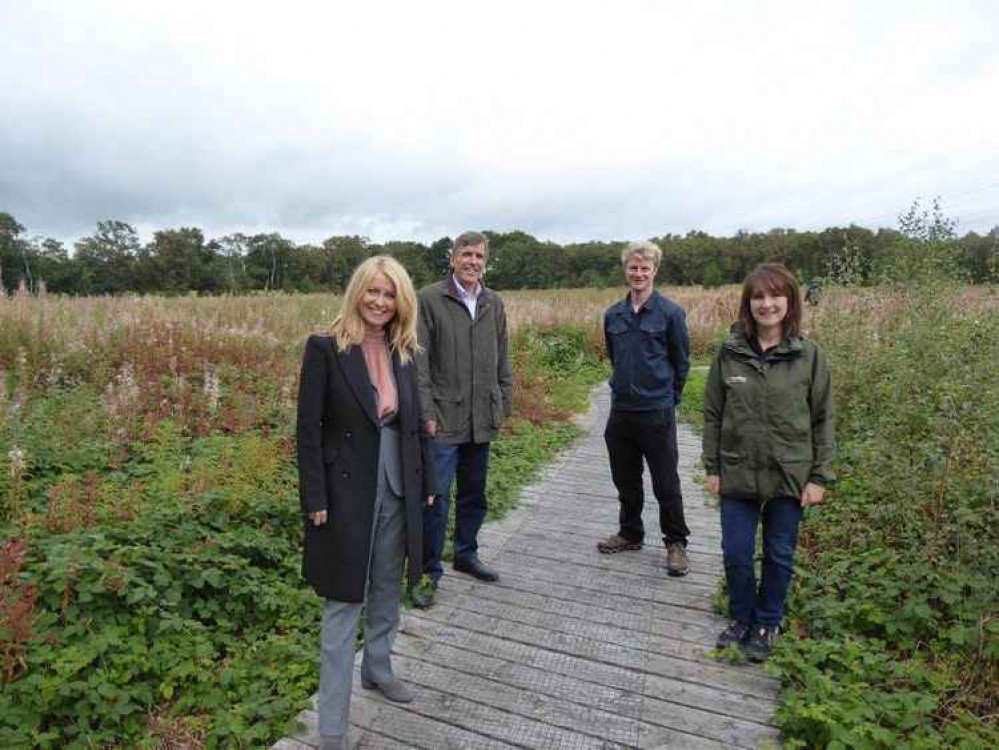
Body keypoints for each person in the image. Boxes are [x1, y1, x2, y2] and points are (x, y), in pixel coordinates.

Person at [297, 256, 436, 750]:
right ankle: (332, 728)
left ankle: (377, 667)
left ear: (401, 300)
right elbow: (308, 431)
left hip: (397, 485)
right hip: (345, 494)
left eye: (389, 293)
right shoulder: (325, 349)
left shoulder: (405, 350)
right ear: (358, 292)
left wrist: (425, 483)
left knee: (385, 585)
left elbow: (413, 423)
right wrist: (314, 495)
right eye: (372, 292)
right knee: (343, 602)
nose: (379, 302)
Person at [703, 263, 834, 662]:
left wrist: (819, 476)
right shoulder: (729, 354)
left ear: (790, 301)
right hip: (738, 471)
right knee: (737, 552)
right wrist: (713, 467)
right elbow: (712, 413)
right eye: (758, 297)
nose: (767, 304)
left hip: (788, 473)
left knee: (779, 554)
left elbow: (823, 418)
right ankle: (742, 617)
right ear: (748, 304)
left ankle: (768, 622)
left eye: (775, 295)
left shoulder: (809, 357)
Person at [414, 231, 512, 606]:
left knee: (475, 493)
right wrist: (426, 412)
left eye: (479, 256)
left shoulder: (493, 303)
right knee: (435, 498)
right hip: (443, 417)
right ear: (453, 258)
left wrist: (503, 400)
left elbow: (503, 355)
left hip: (480, 416)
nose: (473, 261)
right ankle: (426, 573)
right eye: (466, 254)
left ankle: (466, 554)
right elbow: (418, 361)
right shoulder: (429, 299)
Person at [598, 241, 692, 577]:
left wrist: (668, 399)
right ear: (625, 270)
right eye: (633, 268)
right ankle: (630, 532)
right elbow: (614, 356)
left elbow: (681, 364)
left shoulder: (671, 314)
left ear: (655, 271)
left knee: (666, 481)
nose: (638, 273)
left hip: (657, 412)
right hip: (621, 411)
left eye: (644, 268)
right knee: (625, 479)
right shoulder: (613, 315)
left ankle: (676, 542)